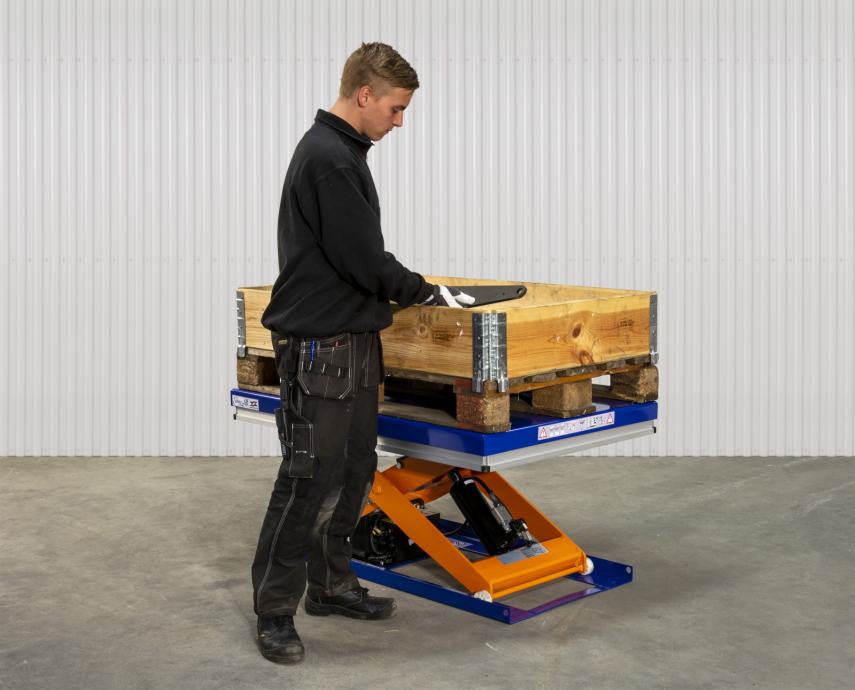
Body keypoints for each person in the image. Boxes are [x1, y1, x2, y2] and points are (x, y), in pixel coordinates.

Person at [253, 42, 473, 664]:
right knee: (307, 480)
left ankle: (331, 586)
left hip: (352, 341)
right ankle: (274, 611)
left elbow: (355, 259)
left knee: (353, 470)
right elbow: (364, 260)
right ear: (365, 93)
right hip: (320, 346)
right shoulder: (329, 158)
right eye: (396, 109)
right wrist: (425, 290)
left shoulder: (343, 153)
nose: (399, 122)